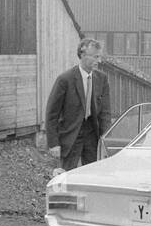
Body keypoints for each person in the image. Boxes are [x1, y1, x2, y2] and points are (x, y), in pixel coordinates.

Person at [45, 38, 112, 169]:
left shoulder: (102, 79)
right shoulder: (65, 80)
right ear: (82, 55)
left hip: (92, 135)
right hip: (70, 135)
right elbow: (51, 114)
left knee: (92, 174)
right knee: (66, 175)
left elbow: (105, 113)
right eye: (95, 57)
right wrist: (53, 143)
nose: (99, 61)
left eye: (99, 57)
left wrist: (105, 139)